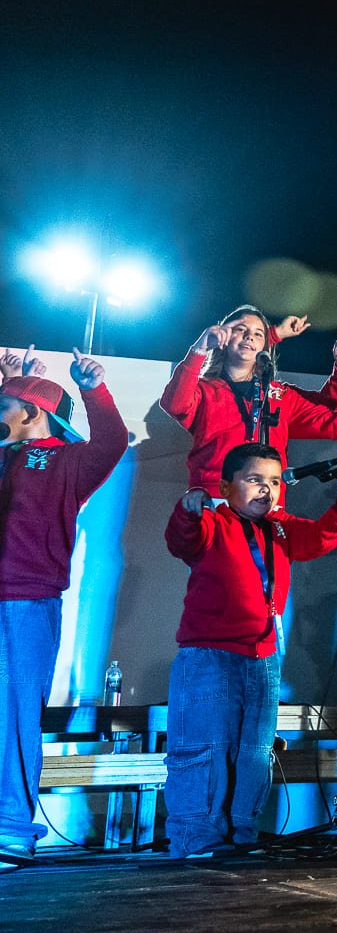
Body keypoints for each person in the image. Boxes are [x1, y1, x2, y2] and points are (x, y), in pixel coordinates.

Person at [162, 444, 337, 857]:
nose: (266, 490)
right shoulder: (213, 522)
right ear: (227, 486)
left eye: (272, 482)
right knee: (204, 749)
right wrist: (188, 509)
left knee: (254, 751)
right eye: (254, 480)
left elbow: (316, 540)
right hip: (210, 656)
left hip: (263, 658)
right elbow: (182, 541)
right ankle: (197, 836)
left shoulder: (280, 528)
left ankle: (242, 833)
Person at [0, 350, 127, 867]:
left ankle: (9, 827)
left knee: (12, 716)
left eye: (5, 405)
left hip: (26, 601)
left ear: (32, 412)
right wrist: (11, 381)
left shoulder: (66, 460)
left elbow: (112, 442)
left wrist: (92, 388)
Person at [162, 308, 337, 492]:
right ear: (223, 337)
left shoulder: (278, 394)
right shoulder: (205, 390)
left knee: (270, 570)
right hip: (215, 499)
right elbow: (174, 404)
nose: (249, 337)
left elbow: (333, 420)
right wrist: (199, 348)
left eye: (258, 334)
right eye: (240, 330)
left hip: (266, 504)